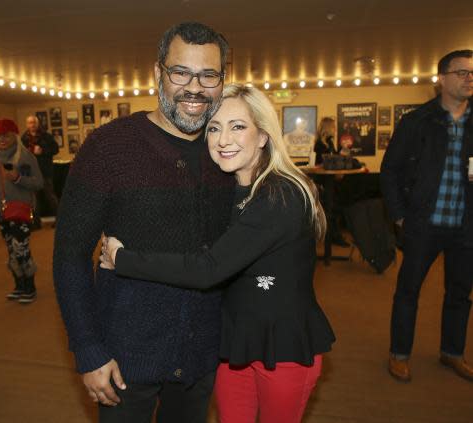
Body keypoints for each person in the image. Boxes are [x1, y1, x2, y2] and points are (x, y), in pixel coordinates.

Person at [100, 84, 335, 423]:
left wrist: (122, 259)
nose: (223, 139)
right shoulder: (229, 191)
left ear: (264, 135)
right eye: (214, 127)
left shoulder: (280, 194)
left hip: (283, 348)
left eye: (238, 126)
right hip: (235, 344)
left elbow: (208, 268)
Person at [53, 22, 235, 422]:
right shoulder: (108, 147)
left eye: (209, 75)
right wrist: (87, 348)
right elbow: (70, 254)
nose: (195, 88)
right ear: (158, 74)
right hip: (122, 359)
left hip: (202, 355)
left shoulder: (228, 150)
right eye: (180, 72)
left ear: (223, 80)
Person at [381, 49, 473, 383]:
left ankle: (452, 352)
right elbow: (389, 170)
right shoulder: (417, 121)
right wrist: (400, 216)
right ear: (442, 79)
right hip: (423, 223)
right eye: (461, 72)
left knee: (460, 293)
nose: (468, 78)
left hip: (466, 226)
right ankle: (399, 354)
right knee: (408, 291)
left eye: (472, 73)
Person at [0, 119, 43, 304]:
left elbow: (38, 183)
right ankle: (19, 286)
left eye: (5, 135)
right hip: (1, 213)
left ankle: (30, 287)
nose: (1, 139)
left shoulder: (25, 157)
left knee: (21, 250)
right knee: (11, 251)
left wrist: (18, 178)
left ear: (14, 136)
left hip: (19, 211)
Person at [313, 117, 350, 247]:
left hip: (331, 182)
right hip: (324, 183)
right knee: (330, 210)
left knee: (334, 209)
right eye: (333, 127)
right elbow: (321, 164)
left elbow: (333, 158)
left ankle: (335, 236)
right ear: (328, 128)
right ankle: (333, 237)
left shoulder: (329, 142)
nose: (335, 130)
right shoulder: (319, 144)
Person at [20, 115, 59, 229]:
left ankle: (60, 220)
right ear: (27, 125)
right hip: (31, 173)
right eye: (29, 123)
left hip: (45, 171)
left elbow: (55, 149)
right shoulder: (24, 138)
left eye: (34, 123)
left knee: (50, 197)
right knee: (34, 199)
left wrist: (43, 151)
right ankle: (36, 222)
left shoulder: (46, 136)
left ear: (37, 124)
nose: (32, 125)